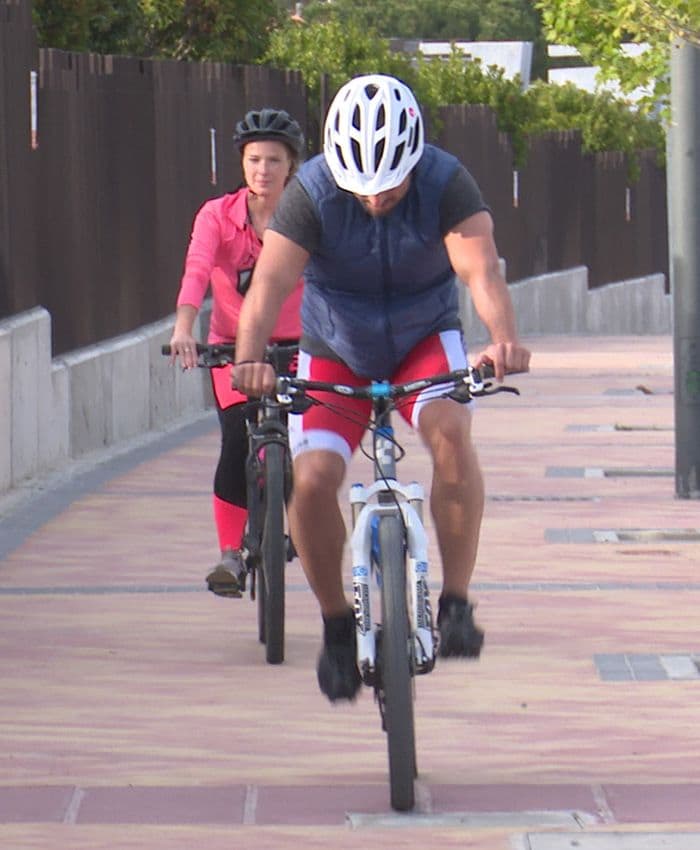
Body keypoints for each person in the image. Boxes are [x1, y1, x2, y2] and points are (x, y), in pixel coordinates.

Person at [232, 74, 531, 701]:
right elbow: (269, 286)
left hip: (424, 337)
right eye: (360, 187)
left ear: (414, 160)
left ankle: (454, 603)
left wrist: (502, 338)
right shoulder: (310, 192)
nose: (374, 199)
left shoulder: (448, 183)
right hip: (335, 346)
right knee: (311, 479)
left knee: (450, 434)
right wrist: (250, 359)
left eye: (389, 187)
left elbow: (481, 271)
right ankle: (338, 625)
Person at [169, 107, 305, 598]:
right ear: (242, 164)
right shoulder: (216, 215)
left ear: (291, 165)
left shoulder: (306, 215)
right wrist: (185, 326)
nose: (263, 170)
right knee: (234, 440)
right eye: (253, 160)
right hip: (233, 350)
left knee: (299, 451)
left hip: (298, 348)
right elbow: (197, 269)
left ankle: (282, 524)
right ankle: (230, 552)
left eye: (273, 160)